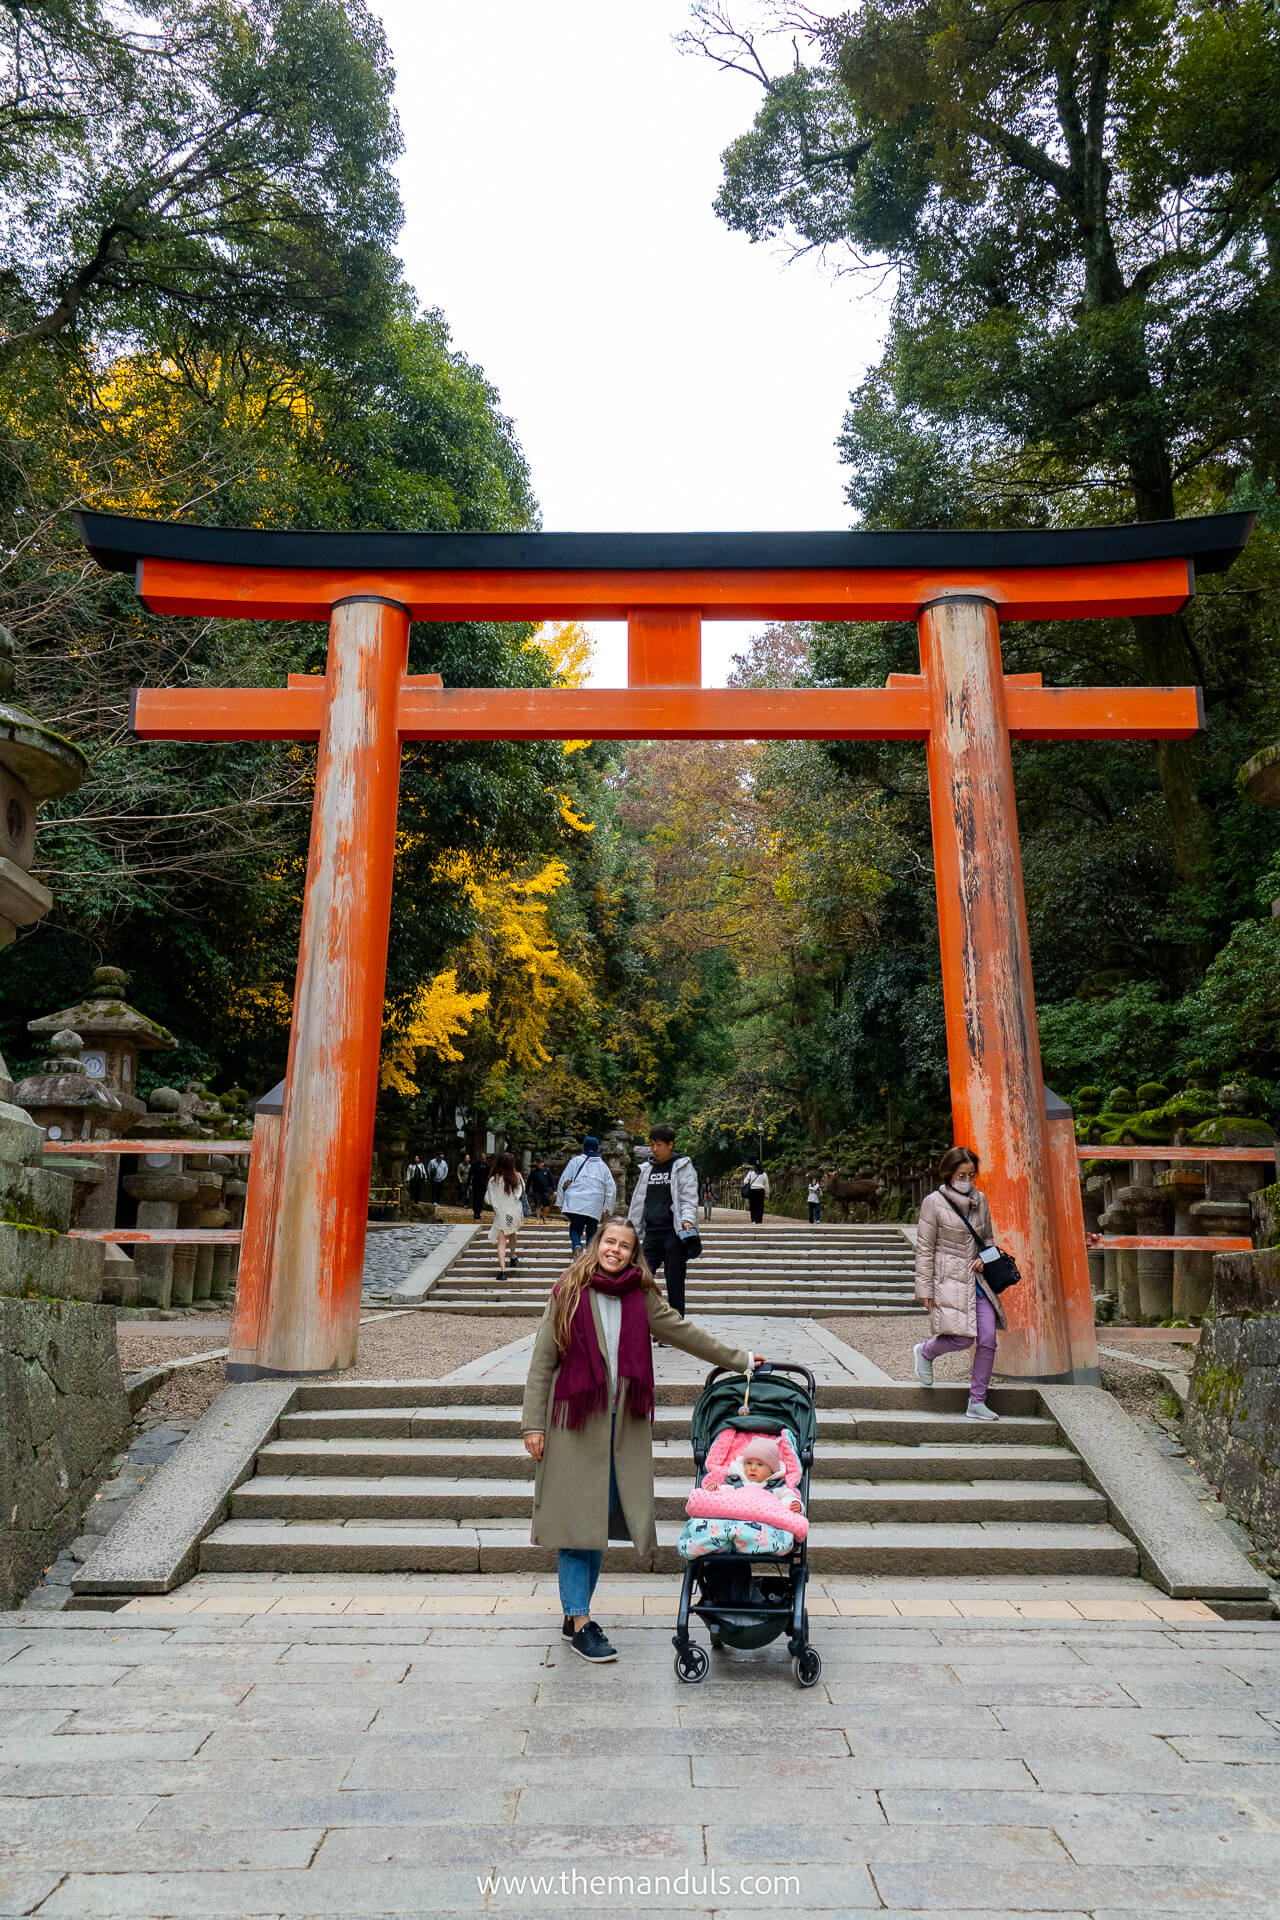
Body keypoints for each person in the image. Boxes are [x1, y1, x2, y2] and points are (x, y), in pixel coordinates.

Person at [521, 1214, 757, 1664]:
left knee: (594, 1524)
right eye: (609, 1241)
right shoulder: (567, 1292)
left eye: (624, 1245)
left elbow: (685, 1333)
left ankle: (574, 1613)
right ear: (597, 1244)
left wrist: (740, 1359)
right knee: (576, 1524)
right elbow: (542, 1362)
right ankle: (580, 1621)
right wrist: (533, 1424)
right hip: (573, 1423)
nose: (615, 1250)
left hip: (622, 1428)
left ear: (633, 1254)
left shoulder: (641, 1296)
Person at [912, 1144, 1007, 1422]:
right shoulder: (933, 1202)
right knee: (962, 1338)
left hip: (978, 1281)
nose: (967, 1181)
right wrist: (925, 1289)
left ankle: (977, 1401)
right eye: (961, 1175)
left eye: (971, 1175)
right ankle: (925, 1352)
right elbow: (925, 1248)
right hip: (948, 1280)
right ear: (950, 1174)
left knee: (988, 1339)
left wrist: (985, 1258)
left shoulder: (981, 1200)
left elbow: (987, 1239)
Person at [627, 1124, 698, 1316]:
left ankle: (677, 1326)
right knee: (638, 1278)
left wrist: (688, 1220)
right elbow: (638, 1201)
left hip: (673, 1234)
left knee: (675, 1284)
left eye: (659, 1145)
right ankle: (641, 1321)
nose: (655, 1149)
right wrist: (631, 1228)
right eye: (652, 1145)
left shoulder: (683, 1167)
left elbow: (688, 1198)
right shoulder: (647, 1169)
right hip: (651, 1235)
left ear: (670, 1144)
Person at [555, 1136, 617, 1251]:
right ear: (597, 1148)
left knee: (575, 1228)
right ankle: (589, 1253)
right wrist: (608, 1207)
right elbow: (611, 1188)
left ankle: (577, 1245)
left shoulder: (575, 1161)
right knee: (592, 1231)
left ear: (584, 1147)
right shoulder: (603, 1166)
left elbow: (563, 1180)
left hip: (576, 1201)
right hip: (595, 1203)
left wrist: (560, 1201)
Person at [486, 1151, 525, 1279]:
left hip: (501, 1213)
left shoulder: (493, 1180)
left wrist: (497, 1210)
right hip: (514, 1212)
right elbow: (518, 1194)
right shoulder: (516, 1178)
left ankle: (502, 1271)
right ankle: (512, 1257)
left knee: (501, 1243)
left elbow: (492, 1199)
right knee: (513, 1234)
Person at [527, 1158, 553, 1224]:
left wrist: (554, 1189)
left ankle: (544, 1216)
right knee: (537, 1205)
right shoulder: (533, 1172)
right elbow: (529, 1182)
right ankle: (538, 1219)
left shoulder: (547, 1171)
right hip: (537, 1191)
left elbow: (551, 1181)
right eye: (538, 1163)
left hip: (546, 1190)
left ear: (543, 1163)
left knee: (548, 1204)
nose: (540, 1164)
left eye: (541, 1163)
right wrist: (526, 1191)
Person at [744, 1161, 769, 1225]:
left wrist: (749, 1184)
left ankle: (753, 1220)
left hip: (752, 1190)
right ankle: (759, 1220)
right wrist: (767, 1194)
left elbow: (745, 1181)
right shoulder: (764, 1174)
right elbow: (766, 1185)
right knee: (760, 1206)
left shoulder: (751, 1172)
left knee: (752, 1206)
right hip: (760, 1191)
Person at [469, 1152, 490, 1223]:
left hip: (483, 1185)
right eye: (482, 1159)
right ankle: (476, 1212)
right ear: (480, 1158)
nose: (483, 1160)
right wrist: (469, 1184)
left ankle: (479, 1211)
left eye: (484, 1159)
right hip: (476, 1184)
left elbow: (489, 1176)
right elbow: (470, 1174)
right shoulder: (474, 1165)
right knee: (476, 1198)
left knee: (481, 1199)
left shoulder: (487, 1166)